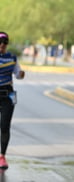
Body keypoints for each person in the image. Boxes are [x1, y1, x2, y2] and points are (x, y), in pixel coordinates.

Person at [0, 32, 25, 169]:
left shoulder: (12, 58)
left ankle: (2, 156)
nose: (2, 45)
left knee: (4, 126)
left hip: (7, 95)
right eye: (0, 42)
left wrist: (21, 74)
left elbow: (18, 74)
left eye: (5, 42)